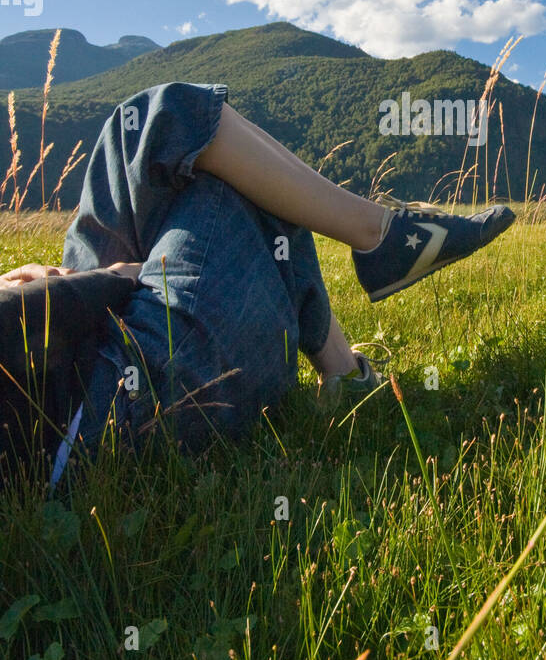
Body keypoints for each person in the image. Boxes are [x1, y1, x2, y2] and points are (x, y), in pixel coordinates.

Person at [0, 82, 514, 486]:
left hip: (68, 365)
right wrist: (106, 280)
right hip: (98, 406)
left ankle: (358, 327)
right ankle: (377, 250)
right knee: (197, 145)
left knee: (134, 130)